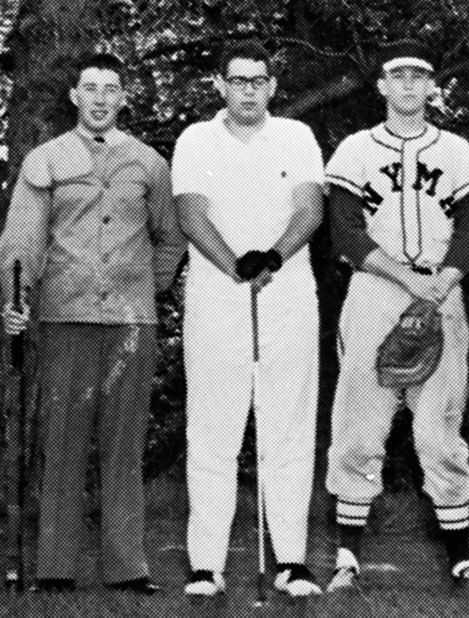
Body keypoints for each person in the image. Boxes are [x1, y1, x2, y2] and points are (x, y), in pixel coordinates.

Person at [0, 52, 184, 595]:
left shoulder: (149, 163)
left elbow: (169, 238)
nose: (100, 97)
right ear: (74, 96)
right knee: (64, 441)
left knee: (124, 446)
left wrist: (151, 286)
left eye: (111, 88)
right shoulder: (45, 161)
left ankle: (128, 569)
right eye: (90, 87)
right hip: (64, 315)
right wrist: (16, 298)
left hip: (131, 322)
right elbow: (20, 241)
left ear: (123, 98)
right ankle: (55, 568)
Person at [322, 39, 469, 595]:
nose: (409, 86)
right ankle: (347, 556)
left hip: (443, 288)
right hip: (375, 288)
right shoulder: (354, 149)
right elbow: (345, 230)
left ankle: (462, 562)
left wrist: (439, 282)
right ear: (382, 85)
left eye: (420, 76)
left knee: (439, 428)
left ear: (430, 85)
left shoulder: (458, 151)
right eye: (399, 76)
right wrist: (408, 279)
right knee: (359, 421)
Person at [172, 40, 326, 598]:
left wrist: (274, 256)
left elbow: (309, 208)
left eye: (258, 81)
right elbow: (191, 213)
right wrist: (235, 263)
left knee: (287, 424)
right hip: (218, 294)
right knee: (214, 427)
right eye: (238, 81)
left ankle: (292, 561)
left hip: (287, 292)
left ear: (272, 86)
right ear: (220, 85)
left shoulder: (296, 136)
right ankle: (206, 565)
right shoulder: (196, 139)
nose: (248, 91)